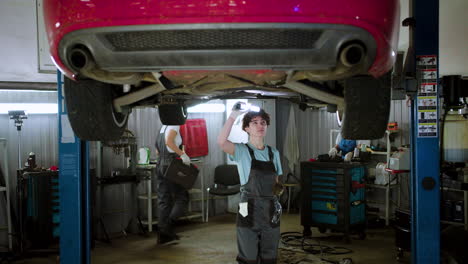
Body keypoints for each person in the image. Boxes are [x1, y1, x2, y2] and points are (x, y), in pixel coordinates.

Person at [217, 102, 283, 264]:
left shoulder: (273, 153)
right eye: (254, 123)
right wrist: (233, 115)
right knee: (249, 256)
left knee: (269, 255)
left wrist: (277, 203)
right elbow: (221, 142)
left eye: (263, 123)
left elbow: (276, 183)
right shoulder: (241, 151)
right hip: (249, 209)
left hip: (269, 209)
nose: (260, 126)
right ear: (246, 128)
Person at [155, 125, 191, 244]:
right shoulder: (174, 124)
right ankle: (167, 228)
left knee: (164, 200)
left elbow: (157, 150)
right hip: (171, 164)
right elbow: (169, 142)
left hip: (160, 163)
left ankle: (162, 235)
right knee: (182, 197)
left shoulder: (162, 127)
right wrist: (182, 154)